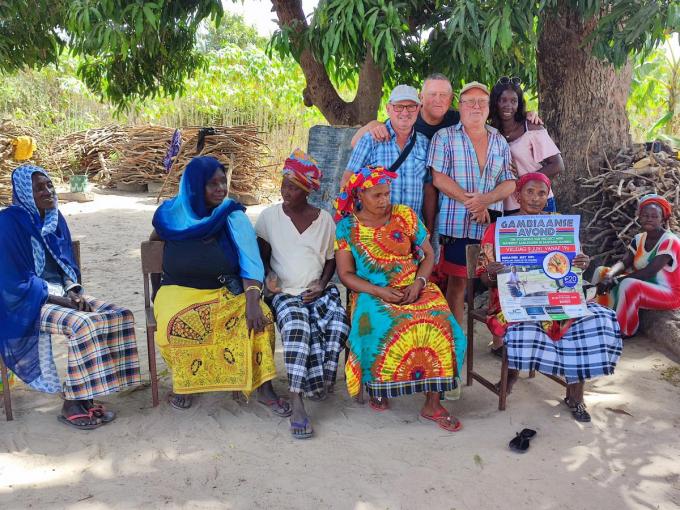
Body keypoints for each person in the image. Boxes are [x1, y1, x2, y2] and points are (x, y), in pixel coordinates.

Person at [0, 165, 141, 429]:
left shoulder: (55, 218)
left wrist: (74, 291)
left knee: (118, 315)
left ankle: (89, 394)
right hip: (24, 302)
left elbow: (66, 265)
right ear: (23, 192)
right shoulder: (8, 223)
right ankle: (72, 403)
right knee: (82, 324)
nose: (47, 191)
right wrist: (65, 302)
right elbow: (11, 281)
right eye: (39, 187)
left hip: (61, 293)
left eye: (49, 185)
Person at [476, 173, 622, 422]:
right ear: (517, 195)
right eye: (530, 192)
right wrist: (491, 272)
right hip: (513, 298)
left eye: (542, 193)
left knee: (595, 319)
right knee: (522, 321)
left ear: (548, 197)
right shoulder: (500, 229)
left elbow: (572, 267)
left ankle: (575, 394)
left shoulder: (558, 226)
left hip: (558, 297)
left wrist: (581, 262)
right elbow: (484, 279)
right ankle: (512, 373)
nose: (535, 198)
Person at [150, 156, 290, 417]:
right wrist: (155, 292)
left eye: (222, 182)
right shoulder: (170, 215)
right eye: (211, 184)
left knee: (263, 318)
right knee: (178, 324)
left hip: (224, 289)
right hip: (177, 291)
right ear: (194, 186)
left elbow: (251, 262)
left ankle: (264, 388)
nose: (220, 189)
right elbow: (155, 243)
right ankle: (185, 385)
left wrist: (252, 301)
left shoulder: (231, 215)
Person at [334, 166, 466, 432]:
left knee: (439, 320)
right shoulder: (347, 227)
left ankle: (432, 402)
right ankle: (379, 388)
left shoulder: (405, 215)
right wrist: (380, 291)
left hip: (414, 285)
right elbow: (346, 274)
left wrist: (419, 283)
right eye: (377, 195)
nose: (385, 201)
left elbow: (429, 255)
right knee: (381, 324)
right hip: (372, 291)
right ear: (361, 193)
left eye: (387, 194)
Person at [256, 150, 349, 439]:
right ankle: (296, 399)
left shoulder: (324, 221)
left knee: (337, 323)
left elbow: (332, 259)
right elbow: (260, 257)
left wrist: (322, 283)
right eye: (284, 185)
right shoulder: (270, 217)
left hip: (316, 291)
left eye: (293, 187)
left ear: (307, 190)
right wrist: (268, 279)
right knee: (297, 328)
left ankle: (317, 382)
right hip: (283, 293)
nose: (286, 191)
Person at [428, 81, 516, 326]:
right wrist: (474, 204)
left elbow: (510, 182)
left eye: (482, 102)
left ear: (489, 108)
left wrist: (485, 201)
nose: (476, 106)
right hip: (457, 224)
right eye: (470, 102)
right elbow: (439, 178)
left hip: (491, 224)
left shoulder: (499, 140)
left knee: (497, 280)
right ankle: (456, 343)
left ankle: (498, 340)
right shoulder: (444, 137)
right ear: (460, 105)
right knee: (457, 284)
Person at [341, 85, 434, 232]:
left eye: (411, 106)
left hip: (413, 232)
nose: (405, 112)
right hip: (375, 232)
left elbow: (428, 188)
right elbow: (348, 180)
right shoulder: (370, 140)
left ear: (419, 109)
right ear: (388, 108)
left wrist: (429, 228)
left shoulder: (425, 144)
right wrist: (354, 224)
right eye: (398, 106)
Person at [593, 194, 680, 337]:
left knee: (628, 284)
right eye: (645, 215)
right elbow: (624, 262)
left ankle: (624, 329)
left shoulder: (670, 241)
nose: (649, 219)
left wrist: (615, 280)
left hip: (669, 293)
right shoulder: (639, 239)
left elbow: (649, 272)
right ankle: (600, 317)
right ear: (639, 217)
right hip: (644, 285)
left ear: (663, 219)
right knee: (601, 272)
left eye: (654, 216)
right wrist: (609, 275)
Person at [488, 76, 564, 213]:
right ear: (495, 102)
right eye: (503, 100)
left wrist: (522, 181)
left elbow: (557, 165)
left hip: (538, 203)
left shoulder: (531, 129)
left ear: (519, 105)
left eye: (513, 101)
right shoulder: (490, 132)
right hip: (506, 206)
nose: (508, 106)